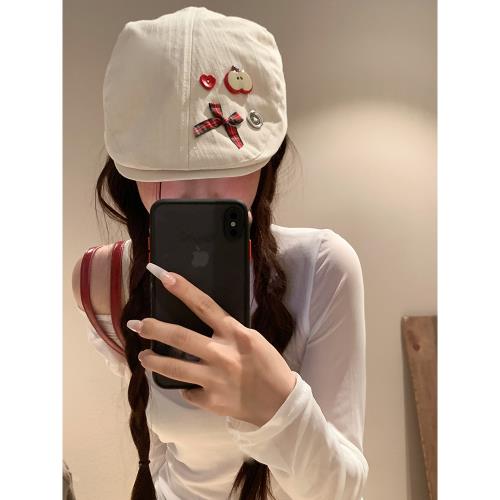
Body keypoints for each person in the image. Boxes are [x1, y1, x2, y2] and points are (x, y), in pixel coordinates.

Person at [71, 6, 368, 500]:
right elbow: (162, 453)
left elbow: (341, 492)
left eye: (223, 165)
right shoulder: (104, 278)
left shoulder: (322, 267)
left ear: (266, 162)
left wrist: (278, 406)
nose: (195, 189)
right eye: (162, 168)